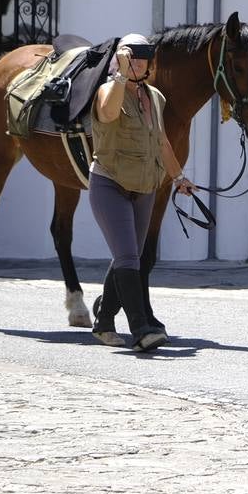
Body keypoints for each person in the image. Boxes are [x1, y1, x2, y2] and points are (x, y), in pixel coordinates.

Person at [87, 34, 195, 352]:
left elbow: (161, 142)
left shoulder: (156, 98)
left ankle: (104, 321)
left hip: (145, 187)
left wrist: (179, 177)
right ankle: (141, 329)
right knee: (128, 257)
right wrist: (120, 74)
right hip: (110, 184)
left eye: (144, 58)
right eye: (132, 57)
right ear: (120, 60)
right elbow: (107, 114)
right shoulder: (108, 91)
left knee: (128, 253)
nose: (138, 64)